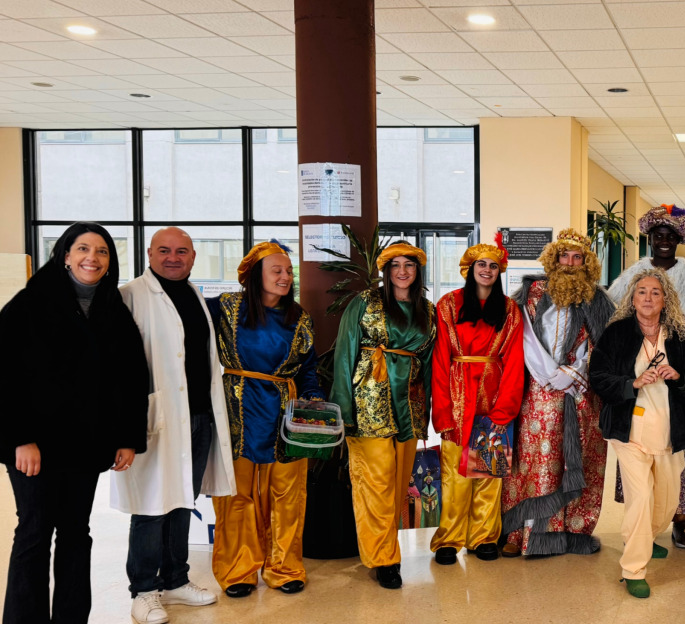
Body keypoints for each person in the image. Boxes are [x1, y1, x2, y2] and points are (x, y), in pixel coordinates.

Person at [1, 222, 148, 624]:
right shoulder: (29, 304)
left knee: (76, 535)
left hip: (86, 444)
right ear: (64, 254)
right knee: (34, 530)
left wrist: (127, 438)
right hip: (35, 445)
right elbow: (5, 376)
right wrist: (19, 439)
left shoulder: (113, 308)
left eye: (102, 251)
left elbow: (131, 380)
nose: (92, 257)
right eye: (82, 248)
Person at [112, 227, 235, 624]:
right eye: (164, 250)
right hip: (154, 420)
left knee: (183, 498)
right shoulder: (131, 295)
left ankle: (176, 579)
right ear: (149, 253)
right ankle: (144, 591)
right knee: (150, 505)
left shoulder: (195, 294)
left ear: (194, 256)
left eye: (181, 251)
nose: (173, 257)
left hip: (199, 416)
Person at [208, 241, 323, 598]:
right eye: (277, 270)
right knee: (237, 493)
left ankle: (284, 567)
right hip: (237, 410)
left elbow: (308, 367)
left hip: (285, 413)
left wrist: (313, 398)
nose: (286, 277)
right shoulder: (226, 308)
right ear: (255, 276)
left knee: (288, 494)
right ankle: (238, 569)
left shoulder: (299, 317)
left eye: (289, 271)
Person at [609, 205, 685, 549]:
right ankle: (641, 520)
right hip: (640, 383)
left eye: (670, 236)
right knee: (640, 449)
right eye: (657, 235)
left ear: (679, 240)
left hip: (680, 383)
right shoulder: (629, 281)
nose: (663, 241)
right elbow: (617, 331)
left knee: (681, 452)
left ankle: (684, 519)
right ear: (649, 239)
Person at [589, 270, 685, 598]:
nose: (648, 298)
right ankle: (633, 570)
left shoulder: (681, 337)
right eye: (642, 292)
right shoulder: (616, 334)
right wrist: (632, 383)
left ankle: (642, 535)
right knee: (640, 497)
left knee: (666, 503)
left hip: (670, 431)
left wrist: (679, 377)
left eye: (655, 292)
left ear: (665, 299)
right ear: (632, 298)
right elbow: (597, 377)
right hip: (629, 431)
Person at [501, 229, 615, 557]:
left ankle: (572, 531)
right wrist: (550, 374)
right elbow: (524, 341)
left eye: (577, 257)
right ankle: (522, 534)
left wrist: (574, 372)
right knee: (535, 464)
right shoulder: (530, 295)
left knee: (579, 463)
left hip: (580, 395)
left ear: (586, 263)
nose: (569, 262)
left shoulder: (598, 300)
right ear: (553, 259)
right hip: (537, 393)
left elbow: (604, 346)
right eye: (564, 256)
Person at [331, 241, 435, 590]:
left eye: (409, 264)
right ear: (385, 271)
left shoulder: (428, 310)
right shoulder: (364, 303)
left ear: (418, 271)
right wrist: (343, 410)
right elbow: (345, 353)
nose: (402, 271)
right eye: (395, 265)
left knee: (396, 486)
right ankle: (385, 560)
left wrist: (430, 413)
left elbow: (431, 364)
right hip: (367, 404)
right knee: (375, 483)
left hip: (409, 405)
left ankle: (384, 548)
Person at [431, 234, 525, 565]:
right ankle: (449, 538)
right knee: (454, 475)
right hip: (457, 399)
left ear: (500, 271)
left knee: (488, 472)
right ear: (469, 269)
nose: (486, 270)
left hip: (494, 396)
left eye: (492, 266)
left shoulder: (510, 310)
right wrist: (441, 411)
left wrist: (505, 409)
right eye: (480, 265)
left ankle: (484, 536)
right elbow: (440, 361)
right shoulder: (449, 305)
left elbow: (514, 361)